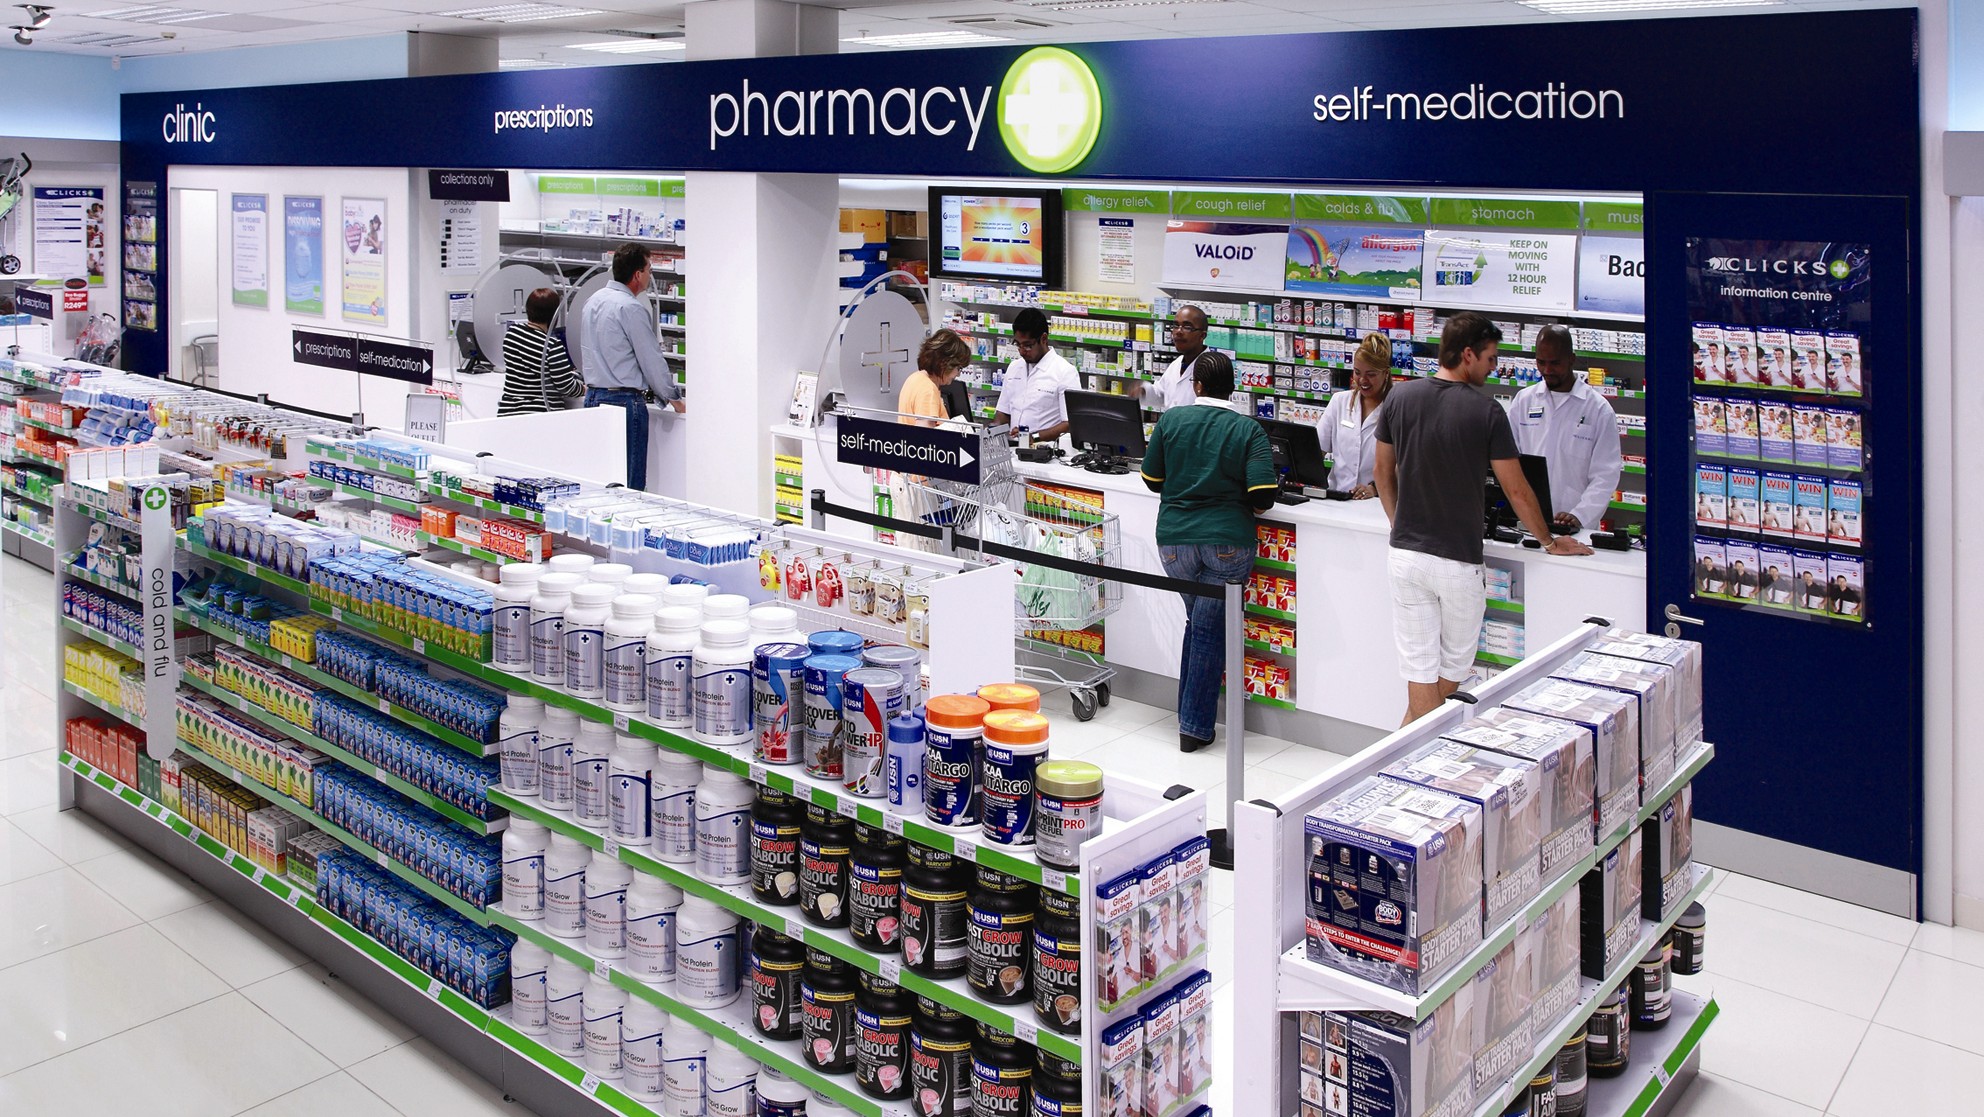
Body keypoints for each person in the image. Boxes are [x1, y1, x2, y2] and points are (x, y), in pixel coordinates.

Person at [1374, 311, 1591, 725]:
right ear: (1468, 354)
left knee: (1420, 669)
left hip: (1404, 558)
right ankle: (1412, 755)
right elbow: (1516, 490)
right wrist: (1549, 541)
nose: (1494, 368)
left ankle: (1400, 749)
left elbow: (1382, 472)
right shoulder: (1487, 411)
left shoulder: (1400, 397)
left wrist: (1397, 523)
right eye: (1490, 358)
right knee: (1451, 671)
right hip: (1457, 561)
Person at [1140, 351, 1279, 753]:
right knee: (1207, 629)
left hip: (1174, 545)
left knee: (1199, 624)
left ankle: (1189, 719)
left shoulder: (1171, 420)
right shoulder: (1247, 429)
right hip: (1226, 544)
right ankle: (1194, 729)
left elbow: (1151, 478)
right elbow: (1263, 496)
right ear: (1233, 388)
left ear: (1196, 385)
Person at [581, 242, 683, 490]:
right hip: (624, 402)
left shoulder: (592, 301)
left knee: (601, 481)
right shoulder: (630, 308)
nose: (650, 275)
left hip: (592, 398)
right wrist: (674, 398)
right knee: (629, 483)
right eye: (649, 270)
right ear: (638, 274)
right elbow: (651, 360)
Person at [1508, 324, 1623, 535]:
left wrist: (1580, 515)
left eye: (1555, 363)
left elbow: (1606, 475)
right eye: (1541, 362)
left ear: (1571, 359)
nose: (1547, 370)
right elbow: (1509, 462)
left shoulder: (1598, 409)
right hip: (1528, 521)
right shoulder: (1523, 401)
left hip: (1576, 527)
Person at [891, 329, 975, 553]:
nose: (957, 374)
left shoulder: (915, 378)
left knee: (910, 547)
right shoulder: (928, 390)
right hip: (917, 484)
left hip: (904, 479)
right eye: (958, 368)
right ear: (945, 363)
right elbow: (925, 440)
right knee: (922, 552)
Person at [1313, 333, 1392, 498]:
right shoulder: (1339, 401)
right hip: (1337, 498)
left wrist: (1375, 489)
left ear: (1386, 373)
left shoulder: (1396, 408)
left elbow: (1404, 464)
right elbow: (1316, 451)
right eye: (1357, 372)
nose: (1362, 380)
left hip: (1377, 502)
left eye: (1371, 374)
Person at [994, 308, 1079, 444]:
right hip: (1013, 449)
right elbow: (1003, 412)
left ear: (1043, 339)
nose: (1022, 351)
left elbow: (1069, 424)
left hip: (1046, 451)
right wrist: (993, 429)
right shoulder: (1014, 367)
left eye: (1028, 346)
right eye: (1018, 345)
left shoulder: (1065, 372)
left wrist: (1034, 437)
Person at [498, 287, 584, 416]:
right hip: (539, 415)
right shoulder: (551, 345)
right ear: (554, 314)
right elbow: (566, 386)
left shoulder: (512, 334)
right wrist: (583, 388)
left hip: (508, 412)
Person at [1134, 305, 1208, 414]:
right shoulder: (1176, 364)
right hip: (1172, 423)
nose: (1178, 331)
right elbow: (1162, 394)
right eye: (1176, 326)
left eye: (1187, 327)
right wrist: (1144, 391)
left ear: (1202, 336)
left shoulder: (1212, 368)